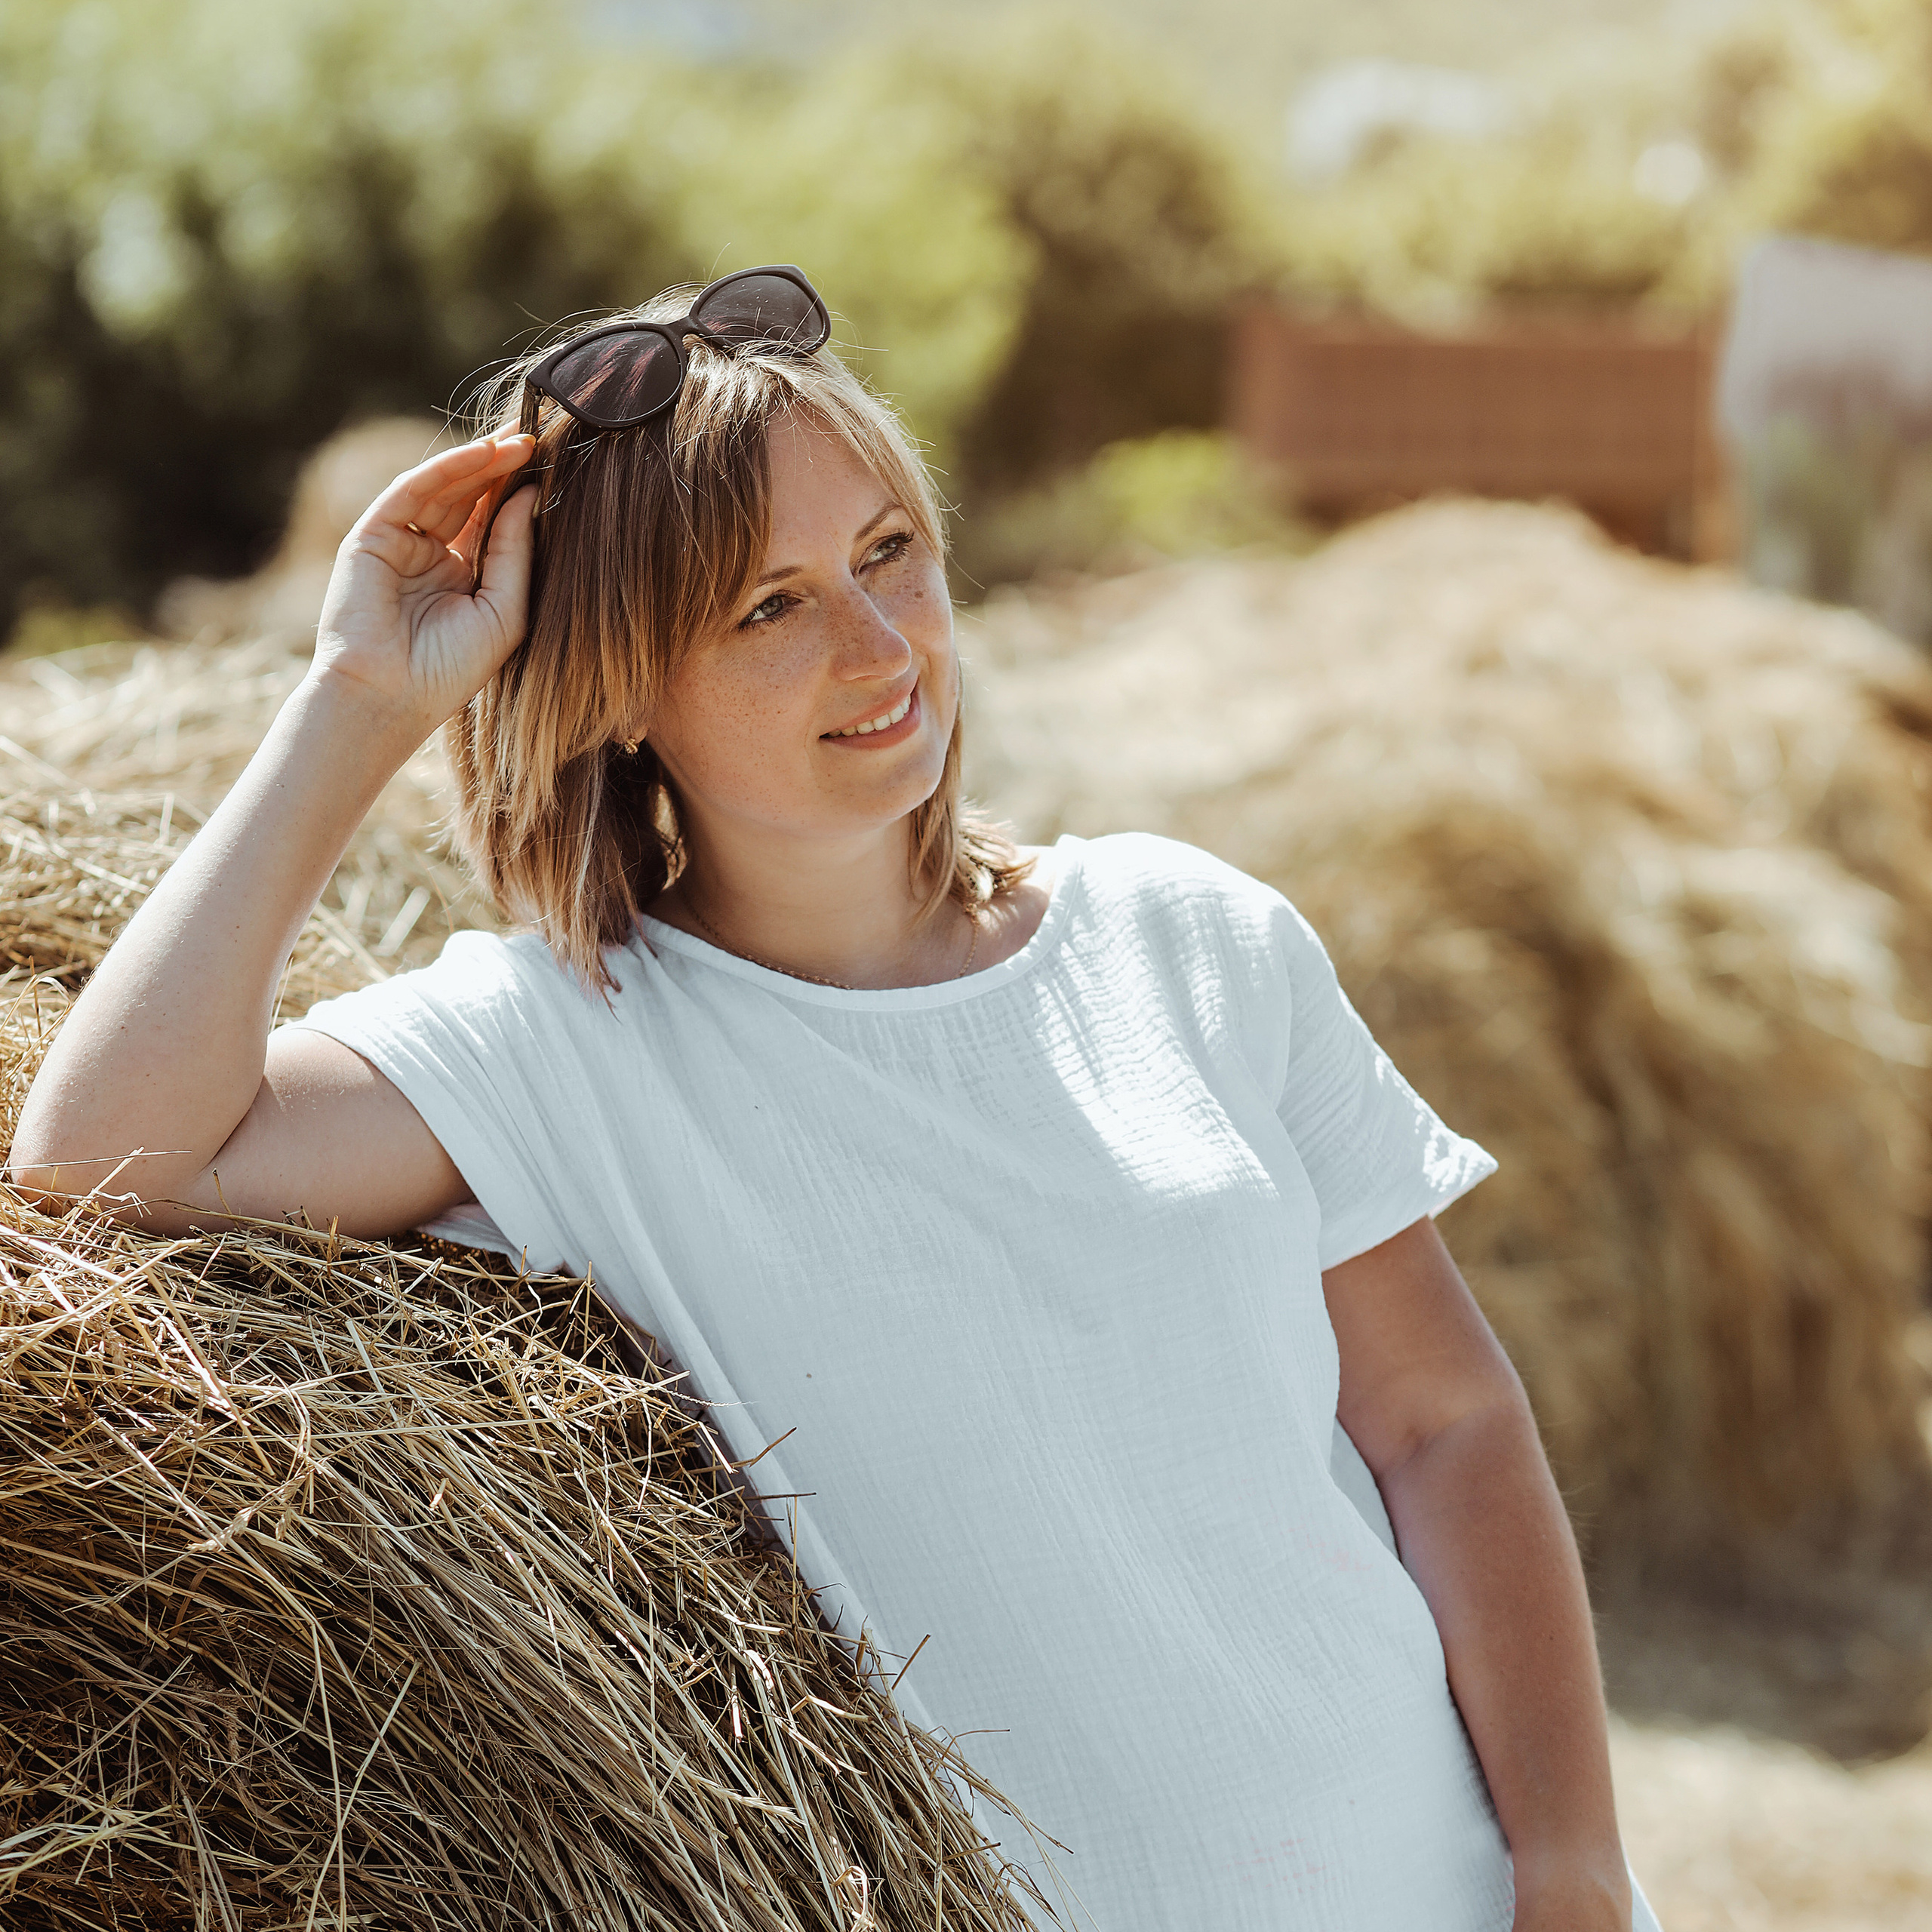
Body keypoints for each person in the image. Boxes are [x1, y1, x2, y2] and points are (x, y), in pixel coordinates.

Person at [11, 267, 1663, 1932]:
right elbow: (97, 1161)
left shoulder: (1189, 935)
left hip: (1457, 1889)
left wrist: (1573, 1860)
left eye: (887, 552)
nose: (879, 646)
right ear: (617, 688)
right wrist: (356, 702)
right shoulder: (558, 1049)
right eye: (767, 607)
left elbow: (1441, 1422)